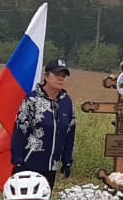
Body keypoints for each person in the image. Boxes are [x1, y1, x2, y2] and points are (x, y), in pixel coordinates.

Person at [11, 58, 76, 186]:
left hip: (51, 166)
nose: (61, 78)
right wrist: (17, 160)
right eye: (57, 74)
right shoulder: (32, 100)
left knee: (45, 198)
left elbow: (70, 133)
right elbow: (20, 130)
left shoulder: (66, 102)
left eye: (64, 76)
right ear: (46, 76)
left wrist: (67, 160)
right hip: (29, 163)